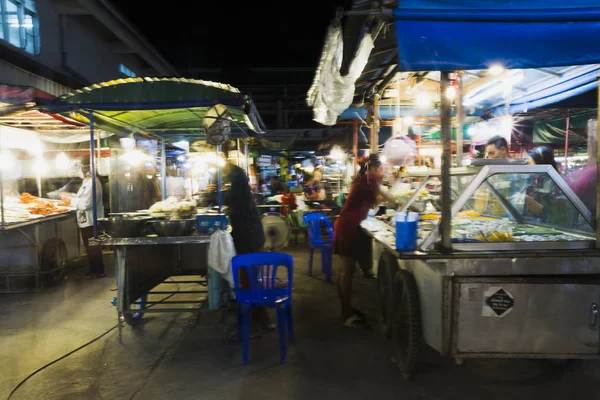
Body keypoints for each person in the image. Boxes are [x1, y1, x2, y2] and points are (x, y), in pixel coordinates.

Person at [333, 154, 395, 327]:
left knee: (344, 271)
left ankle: (347, 310)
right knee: (346, 271)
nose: (385, 171)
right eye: (383, 168)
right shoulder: (371, 178)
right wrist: (402, 202)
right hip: (350, 227)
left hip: (347, 224)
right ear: (376, 167)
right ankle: (346, 315)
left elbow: (376, 199)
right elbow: (388, 198)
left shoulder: (364, 179)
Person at [216, 145, 270, 331]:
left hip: (249, 239)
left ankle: (256, 319)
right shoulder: (242, 191)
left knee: (249, 279)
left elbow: (231, 204)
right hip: (252, 237)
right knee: (251, 278)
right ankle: (258, 316)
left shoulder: (238, 192)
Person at [60, 161, 105, 279]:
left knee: (92, 246)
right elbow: (82, 197)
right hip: (86, 220)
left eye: (78, 170)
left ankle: (97, 271)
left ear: (86, 170)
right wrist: (71, 196)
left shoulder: (93, 183)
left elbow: (86, 203)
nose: (77, 173)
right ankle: (94, 269)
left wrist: (70, 201)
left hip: (91, 221)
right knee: (89, 246)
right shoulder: (88, 182)